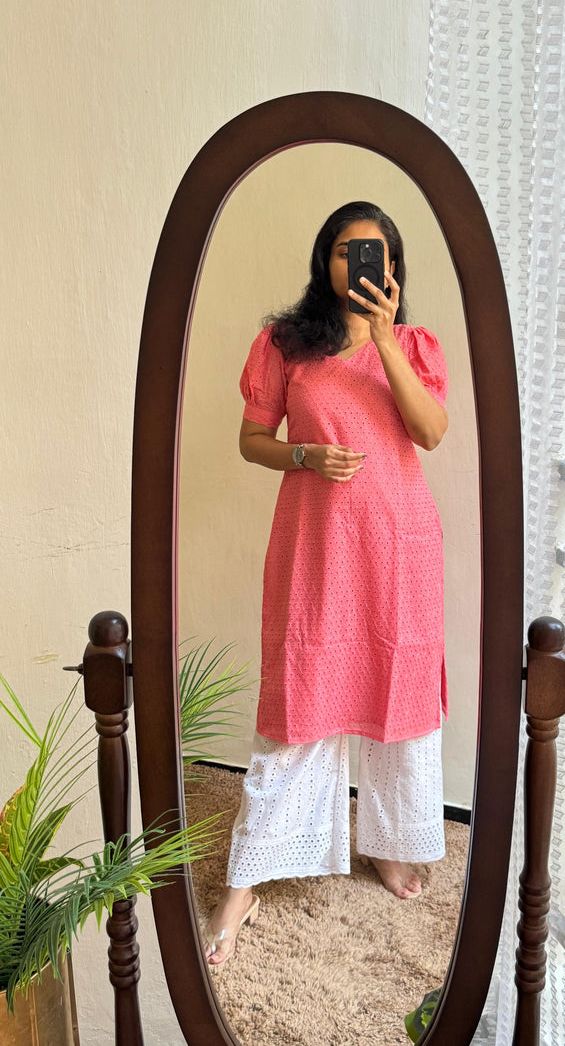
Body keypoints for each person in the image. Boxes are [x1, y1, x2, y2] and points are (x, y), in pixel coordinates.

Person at [205, 201, 449, 965]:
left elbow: (430, 432)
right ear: (326, 260)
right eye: (347, 251)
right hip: (316, 546)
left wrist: (386, 338)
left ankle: (385, 841)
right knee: (301, 699)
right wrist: (305, 455)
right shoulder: (285, 345)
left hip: (399, 549)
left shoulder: (414, 344)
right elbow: (253, 439)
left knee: (396, 695)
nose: (360, 265)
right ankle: (244, 882)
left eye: (375, 253)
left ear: (394, 268)